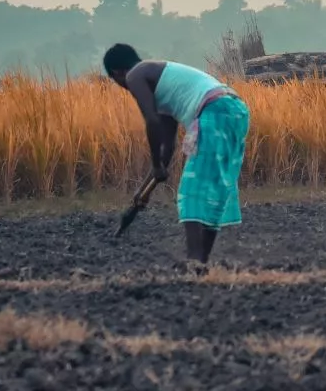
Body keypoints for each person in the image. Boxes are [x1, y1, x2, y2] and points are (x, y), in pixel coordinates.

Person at [103, 43, 250, 270]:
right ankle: (201, 264)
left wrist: (155, 164)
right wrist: (145, 186)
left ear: (117, 73)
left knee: (191, 192)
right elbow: (167, 145)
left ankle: (193, 263)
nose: (125, 87)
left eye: (117, 82)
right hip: (235, 110)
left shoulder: (135, 75)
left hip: (213, 111)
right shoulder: (161, 84)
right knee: (213, 191)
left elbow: (151, 122)